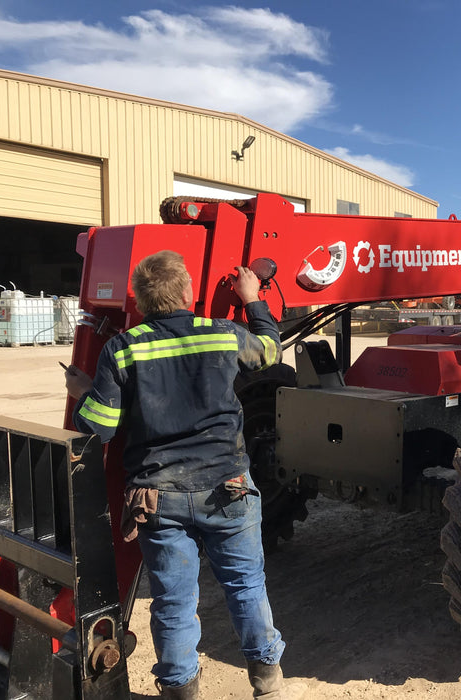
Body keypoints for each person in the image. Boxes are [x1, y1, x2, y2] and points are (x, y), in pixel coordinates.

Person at [65, 250, 286, 699]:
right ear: (188, 292)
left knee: (173, 602)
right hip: (229, 489)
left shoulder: (123, 348)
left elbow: (99, 428)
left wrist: (85, 390)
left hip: (157, 498)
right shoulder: (224, 334)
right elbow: (269, 353)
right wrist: (253, 300)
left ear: (142, 302)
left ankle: (181, 691)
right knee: (245, 586)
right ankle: (267, 684)